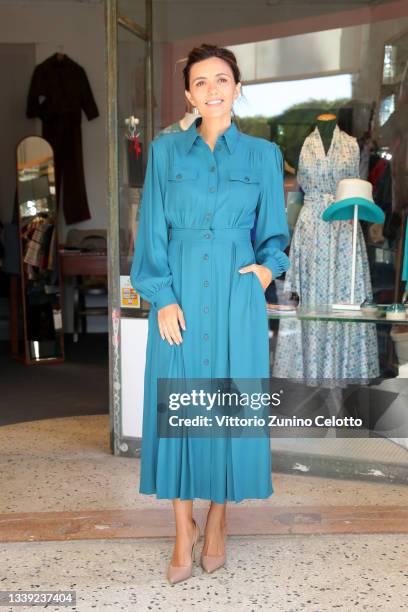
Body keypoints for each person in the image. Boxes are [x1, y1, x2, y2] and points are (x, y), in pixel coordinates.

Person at [130, 43, 290, 584]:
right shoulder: (166, 152)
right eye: (201, 82)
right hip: (177, 292)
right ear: (188, 94)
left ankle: (219, 519)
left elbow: (274, 234)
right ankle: (183, 528)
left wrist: (267, 270)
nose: (213, 90)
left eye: (222, 79)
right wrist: (161, 295)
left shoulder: (264, 156)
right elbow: (150, 229)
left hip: (235, 296)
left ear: (238, 87)